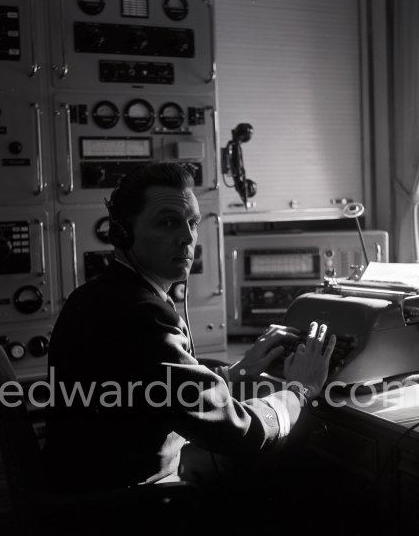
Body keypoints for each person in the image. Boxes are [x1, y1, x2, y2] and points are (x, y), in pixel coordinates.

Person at [43, 162, 336, 533]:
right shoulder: (142, 315)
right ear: (123, 234)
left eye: (193, 222)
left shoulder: (98, 296)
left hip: (92, 490)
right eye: (168, 222)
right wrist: (300, 391)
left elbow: (153, 392)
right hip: (125, 510)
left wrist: (238, 372)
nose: (187, 238)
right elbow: (239, 434)